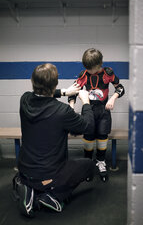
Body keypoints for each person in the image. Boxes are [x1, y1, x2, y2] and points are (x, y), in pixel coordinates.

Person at [14, 63, 95, 217]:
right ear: (55, 83)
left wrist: (65, 92)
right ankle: (49, 197)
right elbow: (88, 126)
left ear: (33, 81)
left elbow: (40, 94)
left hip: (24, 170)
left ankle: (28, 189)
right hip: (50, 174)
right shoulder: (62, 111)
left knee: (35, 174)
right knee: (89, 166)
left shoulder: (24, 100)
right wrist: (86, 102)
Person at [68, 48, 125, 182]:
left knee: (102, 135)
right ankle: (87, 164)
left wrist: (113, 98)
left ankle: (101, 161)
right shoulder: (84, 75)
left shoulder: (108, 73)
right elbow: (72, 92)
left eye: (91, 68)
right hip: (88, 109)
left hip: (103, 109)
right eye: (86, 68)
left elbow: (120, 87)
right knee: (88, 136)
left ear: (99, 64)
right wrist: (71, 105)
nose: (89, 71)